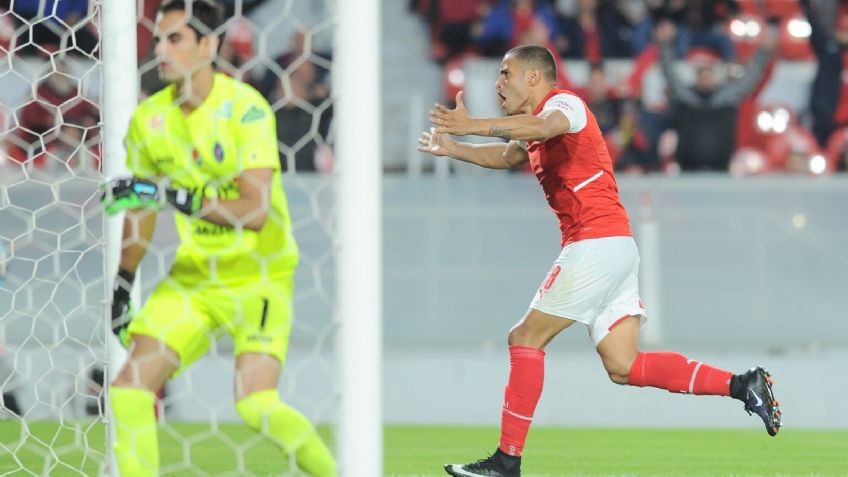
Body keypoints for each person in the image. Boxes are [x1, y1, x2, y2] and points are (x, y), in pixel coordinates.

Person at [417, 44, 781, 477]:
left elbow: (544, 126)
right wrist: (453, 147)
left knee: (525, 338)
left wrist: (472, 124)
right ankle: (742, 385)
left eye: (505, 73)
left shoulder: (565, 106)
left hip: (594, 242)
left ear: (533, 77)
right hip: (616, 246)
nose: (498, 84)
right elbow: (508, 154)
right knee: (624, 365)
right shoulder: (534, 129)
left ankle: (506, 462)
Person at [99, 1, 336, 476]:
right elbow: (141, 209)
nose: (160, 50)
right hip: (195, 278)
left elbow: (254, 211)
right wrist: (124, 282)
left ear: (208, 45)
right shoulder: (149, 119)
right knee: (127, 390)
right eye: (158, 40)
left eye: (175, 39)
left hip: (259, 276)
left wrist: (173, 195)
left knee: (255, 404)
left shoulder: (245, 109)